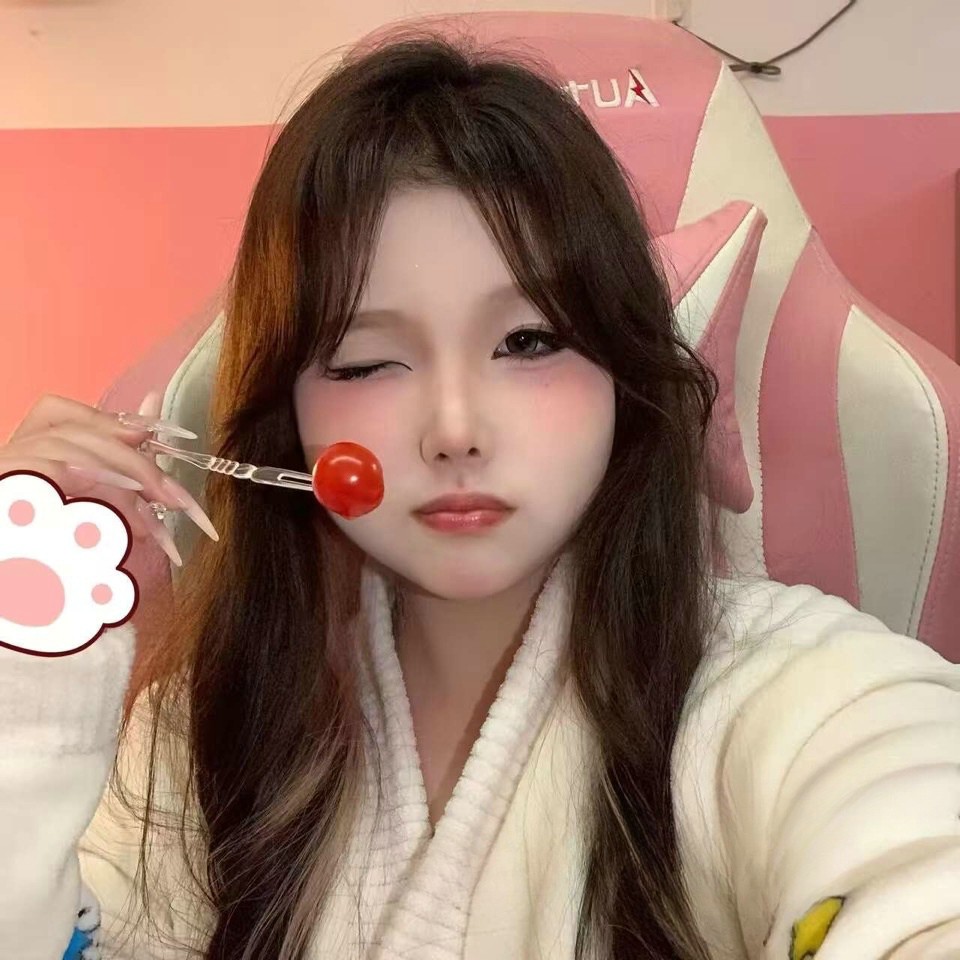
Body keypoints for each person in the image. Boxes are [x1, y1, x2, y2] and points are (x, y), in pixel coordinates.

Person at [1, 27, 958, 960]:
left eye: (529, 342)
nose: (455, 430)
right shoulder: (199, 731)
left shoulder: (790, 695)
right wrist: (28, 692)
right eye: (367, 361)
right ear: (290, 416)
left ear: (620, 378)